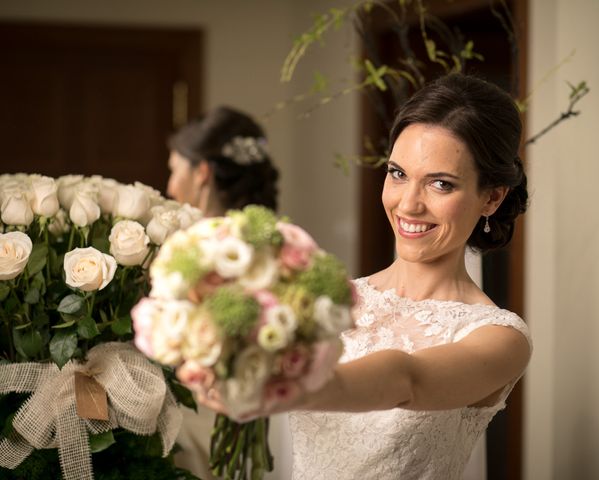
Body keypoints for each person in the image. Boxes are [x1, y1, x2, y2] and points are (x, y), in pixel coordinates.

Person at [186, 73, 532, 479]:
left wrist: (284, 389)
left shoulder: (500, 338)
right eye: (398, 174)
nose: (408, 204)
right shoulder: (325, 298)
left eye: (441, 184)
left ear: (491, 197)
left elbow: (406, 379)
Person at [165, 106, 280, 480]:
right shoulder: (277, 246)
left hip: (198, 418)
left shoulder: (189, 252)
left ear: (201, 173)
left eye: (174, 170)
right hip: (266, 418)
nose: (169, 185)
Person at [166, 105, 279, 217]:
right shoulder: (282, 233)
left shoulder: (191, 235)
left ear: (202, 172)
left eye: (174, 170)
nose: (170, 189)